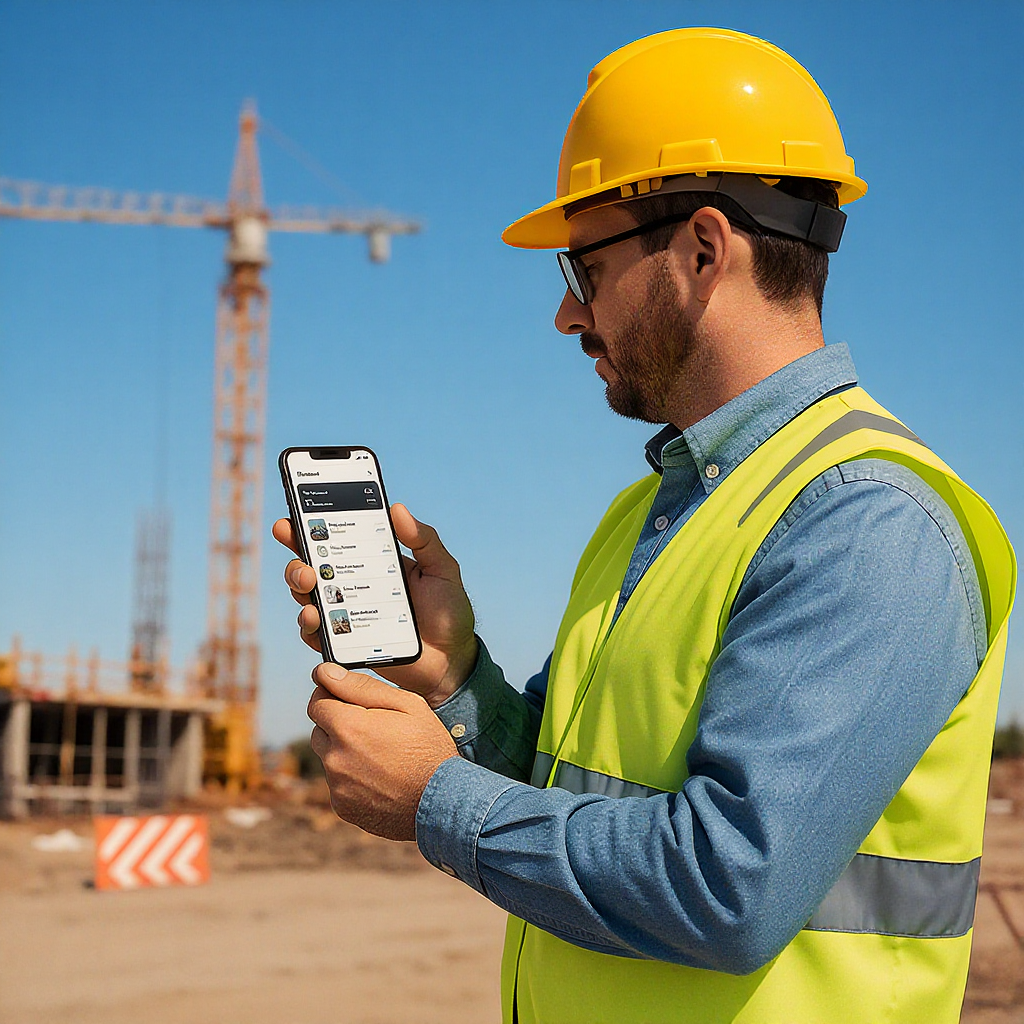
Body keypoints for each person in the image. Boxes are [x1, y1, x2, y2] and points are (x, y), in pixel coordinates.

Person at [273, 27, 1015, 1024]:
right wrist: (453, 676)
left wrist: (434, 801)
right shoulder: (657, 507)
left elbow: (728, 885)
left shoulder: (870, 519)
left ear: (703, 249)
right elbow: (577, 794)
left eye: (584, 268)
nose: (566, 315)